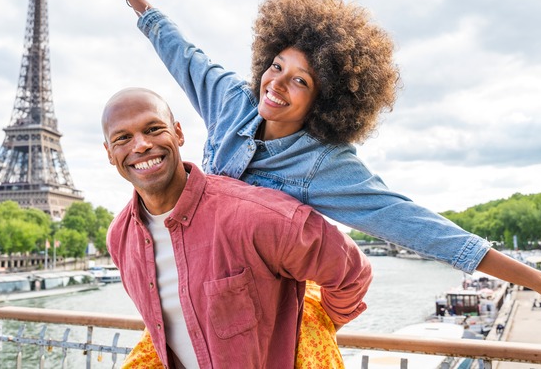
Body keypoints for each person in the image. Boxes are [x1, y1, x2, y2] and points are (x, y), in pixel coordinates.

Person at [94, 0, 541, 365]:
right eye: (276, 66)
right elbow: (182, 53)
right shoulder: (232, 100)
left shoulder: (325, 164)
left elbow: (420, 227)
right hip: (209, 290)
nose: (276, 84)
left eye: (301, 81)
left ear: (328, 98)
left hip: (266, 309)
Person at [102, 88, 372, 368]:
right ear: (109, 153)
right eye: (123, 138)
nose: (141, 145)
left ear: (178, 133)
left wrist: (311, 327)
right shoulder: (120, 238)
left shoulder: (256, 215)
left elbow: (352, 273)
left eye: (153, 129)